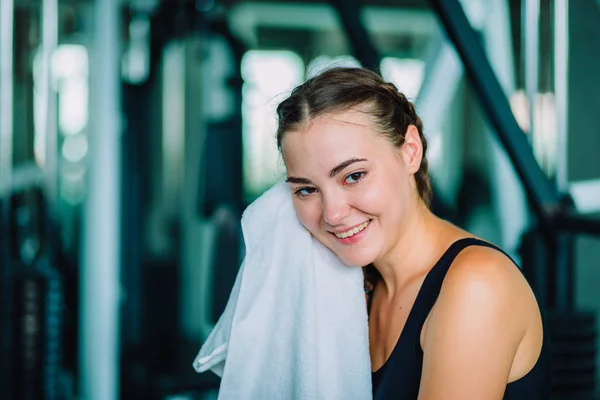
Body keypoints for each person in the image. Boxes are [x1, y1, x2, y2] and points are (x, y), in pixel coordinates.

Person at [275, 67, 551, 399]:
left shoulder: (477, 284)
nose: (332, 214)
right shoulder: (350, 285)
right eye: (306, 190)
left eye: (354, 176)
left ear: (410, 152)